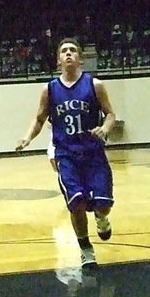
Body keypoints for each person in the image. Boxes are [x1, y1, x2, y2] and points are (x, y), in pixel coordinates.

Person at [16, 37, 118, 268]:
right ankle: (86, 250)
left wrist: (105, 128)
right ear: (58, 60)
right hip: (67, 155)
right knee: (77, 203)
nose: (69, 54)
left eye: (73, 50)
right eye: (64, 51)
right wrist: (27, 137)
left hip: (93, 153)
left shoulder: (95, 85)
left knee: (103, 203)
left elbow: (111, 114)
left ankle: (102, 217)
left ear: (80, 58)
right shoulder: (50, 89)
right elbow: (40, 118)